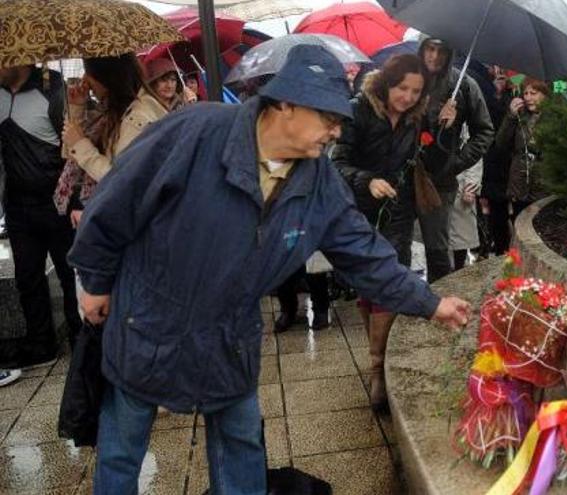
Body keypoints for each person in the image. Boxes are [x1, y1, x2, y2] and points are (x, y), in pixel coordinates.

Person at [68, 45, 470, 494]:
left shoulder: (317, 180)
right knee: (123, 447)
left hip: (230, 336)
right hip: (148, 321)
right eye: (328, 119)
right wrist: (98, 283)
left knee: (241, 445)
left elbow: (363, 251)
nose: (336, 132)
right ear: (287, 104)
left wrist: (430, 303)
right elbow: (115, 201)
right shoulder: (196, 130)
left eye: (340, 121)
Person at [332, 54, 431, 411]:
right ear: (388, 82)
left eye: (415, 91)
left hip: (398, 213)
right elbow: (335, 162)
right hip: (359, 211)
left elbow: (426, 162)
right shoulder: (358, 109)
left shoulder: (415, 118)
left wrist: (444, 130)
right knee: (369, 284)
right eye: (402, 87)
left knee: (390, 280)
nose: (407, 96)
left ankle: (379, 370)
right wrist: (367, 180)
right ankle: (377, 361)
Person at [0, 65, 81, 376]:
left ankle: (80, 340)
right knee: (27, 278)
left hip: (57, 202)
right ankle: (41, 344)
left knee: (68, 273)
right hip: (18, 206)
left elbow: (72, 147)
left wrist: (74, 200)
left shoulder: (52, 88)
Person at [56, 53, 168, 230]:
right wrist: (76, 108)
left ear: (106, 76)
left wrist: (80, 145)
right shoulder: (116, 111)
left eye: (89, 73)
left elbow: (121, 181)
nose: (85, 80)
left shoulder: (137, 118)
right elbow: (72, 156)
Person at [417, 38, 494, 282]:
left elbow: (484, 131)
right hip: (404, 175)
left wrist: (457, 162)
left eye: (442, 50)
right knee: (399, 247)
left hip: (440, 179)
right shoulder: (406, 78)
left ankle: (437, 306)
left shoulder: (463, 85)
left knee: (437, 249)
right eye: (430, 48)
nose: (435, 56)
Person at [496, 78, 550, 220]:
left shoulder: (553, 118)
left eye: (533, 93)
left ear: (544, 95)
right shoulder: (519, 115)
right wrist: (511, 116)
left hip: (542, 181)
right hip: (519, 180)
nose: (528, 98)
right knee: (518, 219)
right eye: (525, 93)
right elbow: (501, 143)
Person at [479, 66, 515, 255]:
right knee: (495, 205)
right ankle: (499, 247)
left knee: (516, 208)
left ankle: (512, 248)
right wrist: (494, 94)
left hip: (511, 158)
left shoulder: (516, 94)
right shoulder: (485, 90)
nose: (501, 73)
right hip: (492, 158)